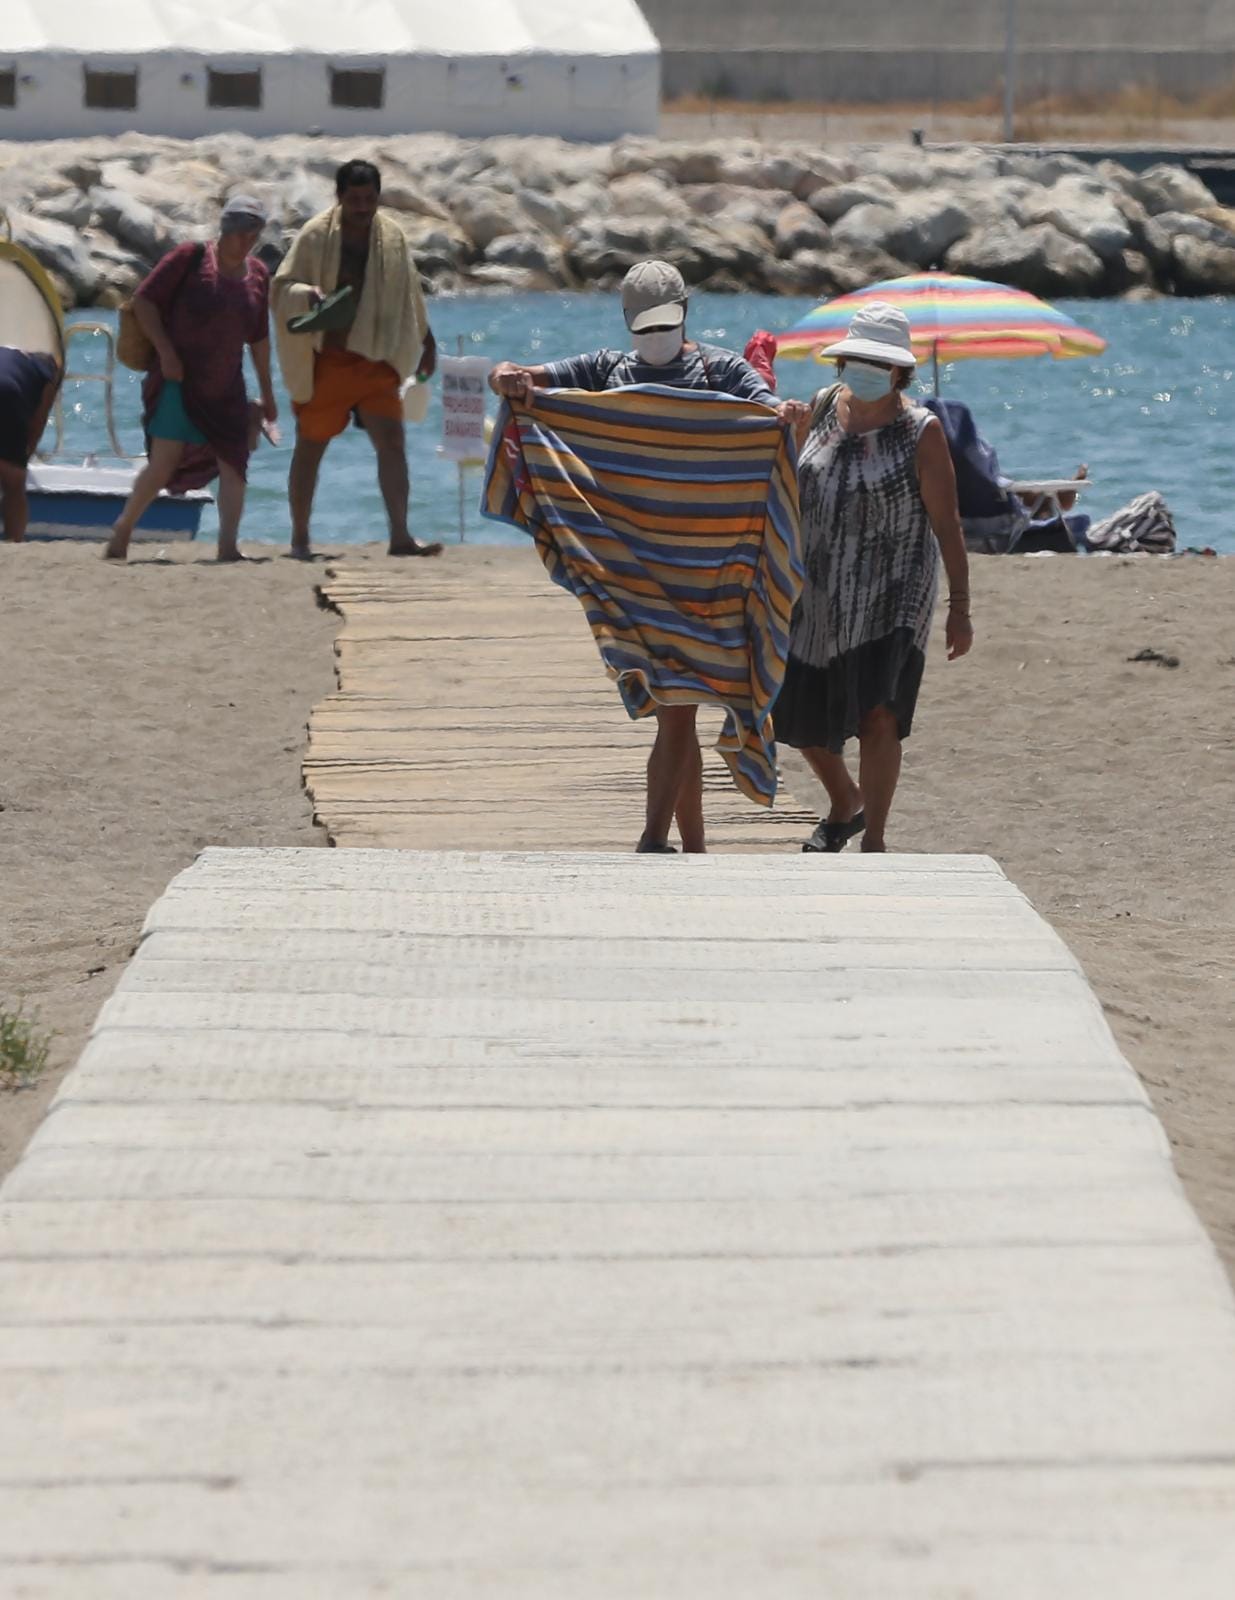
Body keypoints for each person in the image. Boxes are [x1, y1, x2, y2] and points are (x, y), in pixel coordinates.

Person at [489, 259, 809, 854]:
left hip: (710, 576)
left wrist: (788, 415)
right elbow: (524, 378)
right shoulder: (605, 369)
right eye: (645, 324)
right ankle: (682, 846)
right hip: (637, 575)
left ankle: (659, 842)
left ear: (685, 313)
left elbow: (770, 414)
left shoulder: (722, 370)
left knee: (677, 709)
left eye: (663, 322)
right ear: (627, 322)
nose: (655, 334)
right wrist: (506, 376)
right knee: (676, 709)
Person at [776, 302, 973, 854]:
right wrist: (786, 433)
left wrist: (960, 607)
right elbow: (786, 483)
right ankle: (846, 801)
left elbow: (947, 522)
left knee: (879, 713)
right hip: (817, 590)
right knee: (792, 709)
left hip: (894, 590)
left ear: (899, 372)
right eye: (856, 358)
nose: (863, 369)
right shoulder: (818, 409)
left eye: (876, 362)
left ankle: (876, 841)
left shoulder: (920, 430)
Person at [274, 159, 441, 560]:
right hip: (329, 360)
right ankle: (299, 539)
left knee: (392, 443)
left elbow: (409, 292)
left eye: (369, 199)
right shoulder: (316, 235)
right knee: (311, 447)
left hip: (378, 360)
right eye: (354, 199)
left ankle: (400, 536)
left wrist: (427, 340)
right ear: (339, 197)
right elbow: (281, 286)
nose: (363, 207)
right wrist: (307, 293)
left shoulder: (392, 236)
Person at [104, 195, 276, 562]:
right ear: (224, 228)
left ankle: (228, 546)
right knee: (164, 462)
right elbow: (144, 302)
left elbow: (259, 339)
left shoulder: (258, 274)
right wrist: (165, 351)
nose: (245, 240)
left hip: (226, 386)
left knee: (235, 462)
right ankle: (123, 528)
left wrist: (267, 392)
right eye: (239, 231)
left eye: (253, 233)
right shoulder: (190, 258)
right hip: (178, 380)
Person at [0, 347, 61, 542]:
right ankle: (14, 540)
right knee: (14, 482)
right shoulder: (50, 371)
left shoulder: (10, 355)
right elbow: (38, 421)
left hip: (8, 387)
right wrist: (24, 458)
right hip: (8, 393)